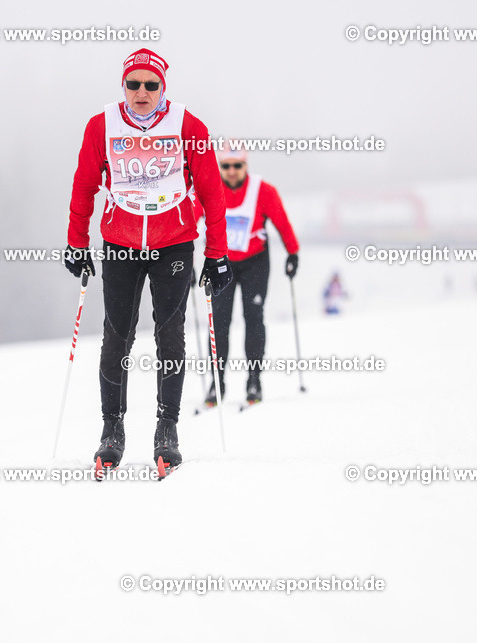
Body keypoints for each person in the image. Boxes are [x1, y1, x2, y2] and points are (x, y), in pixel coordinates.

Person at [63, 48, 233, 473]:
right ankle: (111, 430)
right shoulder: (101, 125)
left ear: (163, 88)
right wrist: (76, 243)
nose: (142, 93)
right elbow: (84, 185)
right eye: (133, 84)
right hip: (120, 243)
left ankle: (167, 429)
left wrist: (217, 254)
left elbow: (212, 193)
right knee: (117, 335)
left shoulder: (188, 126)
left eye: (150, 85)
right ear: (124, 86)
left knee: (170, 336)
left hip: (173, 243)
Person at [192, 143, 300, 405]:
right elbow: (190, 223)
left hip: (255, 262)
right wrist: (184, 260)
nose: (231, 171)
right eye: (225, 166)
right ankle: (217, 383)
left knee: (253, 317)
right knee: (219, 322)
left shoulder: (263, 190)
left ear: (245, 166)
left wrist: (292, 252)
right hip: (220, 263)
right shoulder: (207, 189)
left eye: (236, 166)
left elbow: (281, 222)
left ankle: (254, 380)